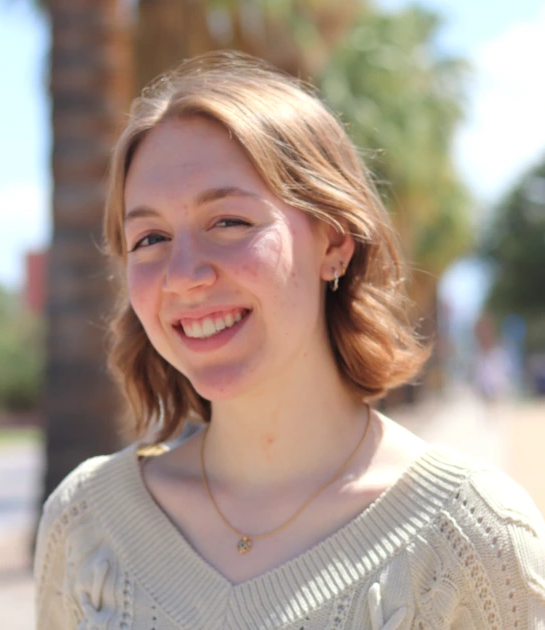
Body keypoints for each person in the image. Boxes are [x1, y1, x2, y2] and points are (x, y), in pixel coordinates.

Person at [33, 51, 545, 629]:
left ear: (334, 242)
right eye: (150, 237)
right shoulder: (85, 523)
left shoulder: (473, 541)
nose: (183, 273)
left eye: (229, 222)